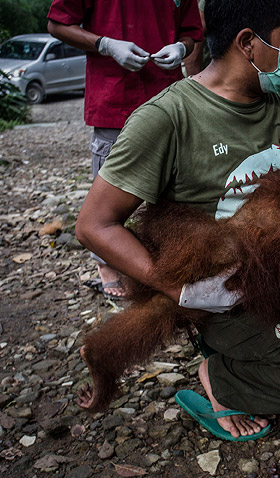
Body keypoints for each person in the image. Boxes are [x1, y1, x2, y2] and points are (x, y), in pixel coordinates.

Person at [75, 0, 280, 439]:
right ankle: (224, 380)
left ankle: (260, 360)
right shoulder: (167, 118)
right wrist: (184, 291)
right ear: (248, 42)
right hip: (226, 290)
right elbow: (94, 226)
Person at [47, 0, 203, 298]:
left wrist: (182, 48)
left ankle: (165, 261)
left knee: (175, 188)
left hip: (168, 97)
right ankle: (106, 264)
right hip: (114, 98)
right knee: (109, 193)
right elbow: (57, 24)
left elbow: (191, 32)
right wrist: (105, 44)